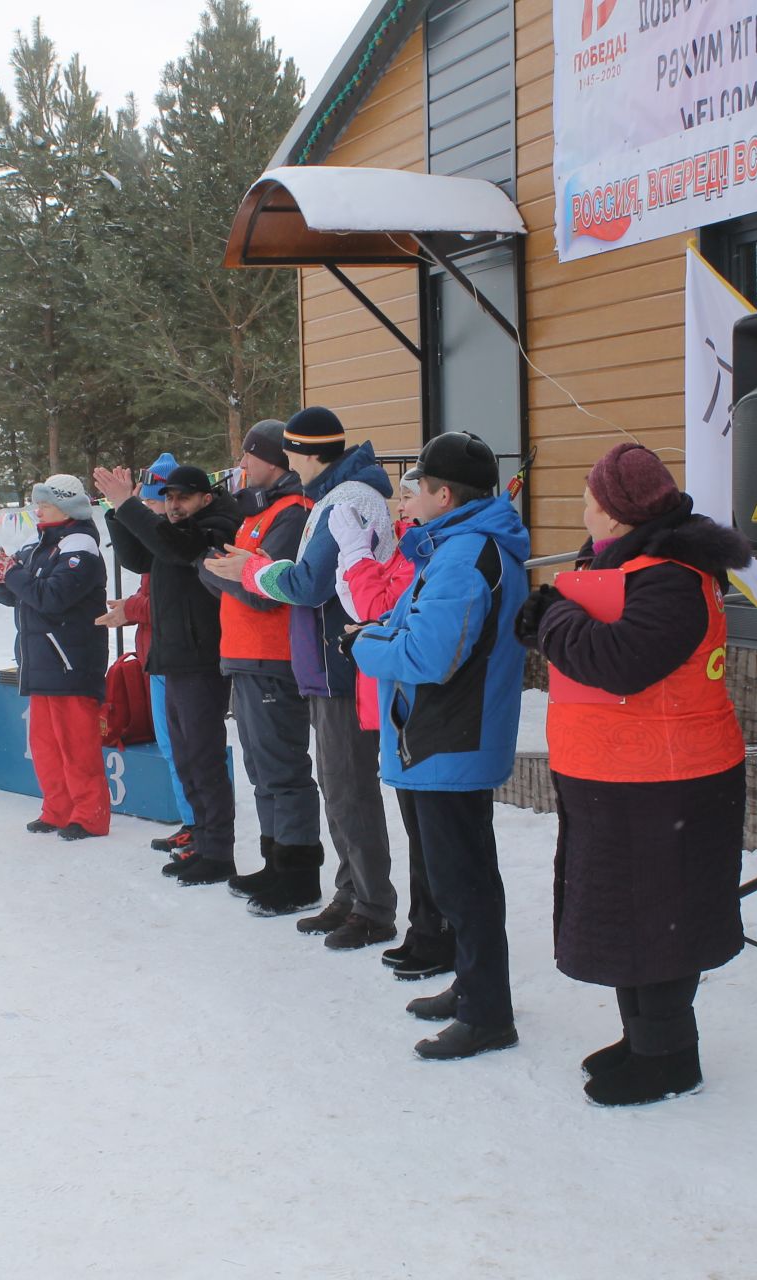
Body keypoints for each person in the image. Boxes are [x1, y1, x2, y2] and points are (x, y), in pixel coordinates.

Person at [517, 441, 750, 1106]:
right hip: (620, 773)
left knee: (661, 919)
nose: (583, 510)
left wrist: (552, 612)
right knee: (624, 914)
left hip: (671, 779)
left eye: (591, 499)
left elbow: (617, 661)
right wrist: (558, 609)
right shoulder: (623, 564)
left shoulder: (671, 578)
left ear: (617, 516)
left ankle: (671, 1058)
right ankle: (642, 1037)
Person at [351, 432, 529, 1061]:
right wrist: (381, 633)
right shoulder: (455, 549)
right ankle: (474, 987)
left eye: (417, 488)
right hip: (443, 735)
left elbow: (427, 654)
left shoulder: (463, 556)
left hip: (449, 736)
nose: (409, 500)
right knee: (459, 877)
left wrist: (362, 646)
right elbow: (414, 627)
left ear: (444, 494)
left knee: (464, 882)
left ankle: (487, 1013)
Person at [206, 405, 398, 951]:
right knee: (338, 789)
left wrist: (250, 570)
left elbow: (312, 583)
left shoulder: (347, 500)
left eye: (290, 451)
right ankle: (350, 892)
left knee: (350, 788)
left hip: (342, 664)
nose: (285, 460)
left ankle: (373, 906)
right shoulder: (332, 498)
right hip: (323, 661)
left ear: (307, 452)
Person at [197, 420, 324, 914]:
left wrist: (222, 570)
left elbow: (268, 591)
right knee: (261, 768)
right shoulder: (262, 513)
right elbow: (238, 578)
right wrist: (220, 569)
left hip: (272, 657)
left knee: (283, 768)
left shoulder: (291, 513)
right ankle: (277, 861)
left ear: (274, 459)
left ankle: (299, 874)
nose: (242, 465)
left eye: (249, 456)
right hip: (244, 656)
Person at [97, 460, 242, 883]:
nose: (174, 505)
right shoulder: (177, 530)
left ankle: (218, 852)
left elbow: (176, 548)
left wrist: (129, 504)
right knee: (185, 757)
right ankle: (200, 837)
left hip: (201, 660)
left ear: (206, 498)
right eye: (169, 498)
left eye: (183, 498)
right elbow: (138, 556)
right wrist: (118, 510)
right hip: (175, 655)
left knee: (204, 757)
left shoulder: (215, 524)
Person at [339, 467, 454, 981]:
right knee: (418, 825)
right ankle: (425, 927)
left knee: (435, 831)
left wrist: (354, 558)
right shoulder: (410, 544)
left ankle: (437, 931)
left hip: (422, 702)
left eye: (409, 496)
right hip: (396, 697)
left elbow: (379, 609)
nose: (400, 507)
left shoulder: (429, 552)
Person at [0, 475, 109, 839]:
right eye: (37, 503)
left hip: (71, 660)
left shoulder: (80, 545)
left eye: (46, 504)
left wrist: (13, 573)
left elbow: (51, 598)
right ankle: (57, 809)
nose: (38, 510)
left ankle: (89, 815)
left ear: (67, 507)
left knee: (77, 747)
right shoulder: (37, 545)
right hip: (39, 661)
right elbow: (14, 595)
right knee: (46, 746)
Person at [95, 454, 196, 851]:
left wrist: (132, 610)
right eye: (148, 505)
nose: (151, 515)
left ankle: (201, 824)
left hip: (178, 658)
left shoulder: (183, 538)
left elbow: (172, 601)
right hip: (157, 655)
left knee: (185, 747)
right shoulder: (158, 541)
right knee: (173, 746)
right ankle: (192, 820)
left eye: (152, 506)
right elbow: (147, 584)